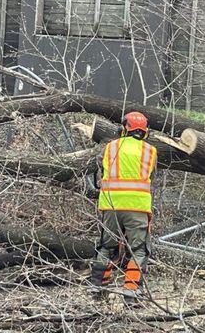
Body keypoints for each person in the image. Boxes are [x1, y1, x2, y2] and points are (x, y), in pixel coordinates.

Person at [90, 111, 157, 304]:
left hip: (110, 205)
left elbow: (102, 173)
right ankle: (131, 294)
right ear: (144, 131)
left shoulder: (110, 147)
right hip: (137, 206)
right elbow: (150, 175)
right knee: (138, 249)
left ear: (123, 128)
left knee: (106, 246)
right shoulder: (149, 151)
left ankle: (98, 290)